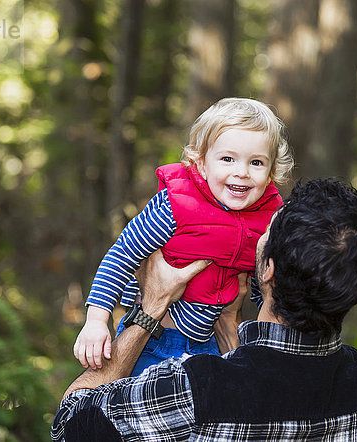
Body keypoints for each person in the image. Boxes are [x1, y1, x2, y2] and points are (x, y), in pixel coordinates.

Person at [52, 178, 357, 441]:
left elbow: (71, 426)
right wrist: (228, 325)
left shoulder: (195, 388)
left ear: (268, 270)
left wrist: (151, 307)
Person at [74, 98, 294, 375]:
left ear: (272, 171)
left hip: (209, 344)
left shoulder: (267, 220)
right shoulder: (176, 204)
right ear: (200, 163)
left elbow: (264, 286)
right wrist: (96, 320)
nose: (242, 172)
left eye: (257, 162)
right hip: (152, 341)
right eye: (227, 159)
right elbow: (121, 255)